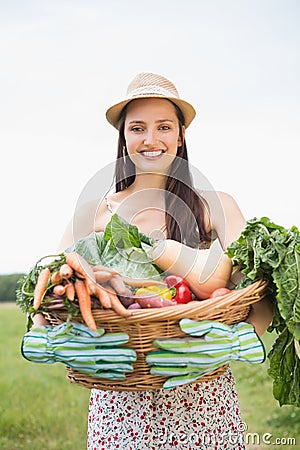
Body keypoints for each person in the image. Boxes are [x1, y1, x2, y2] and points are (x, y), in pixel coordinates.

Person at [25, 72, 273, 449]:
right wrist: (45, 334)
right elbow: (53, 287)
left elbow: (261, 289)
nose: (151, 140)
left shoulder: (214, 205)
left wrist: (231, 343)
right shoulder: (95, 212)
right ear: (123, 137)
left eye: (164, 127)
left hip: (202, 402)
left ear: (181, 133)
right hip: (121, 405)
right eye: (137, 128)